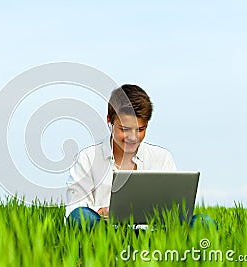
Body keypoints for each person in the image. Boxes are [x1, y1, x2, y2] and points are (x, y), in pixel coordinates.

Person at [65, 84, 212, 229]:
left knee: (204, 222)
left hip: (154, 232)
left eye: (140, 129)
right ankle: (111, 246)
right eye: (125, 129)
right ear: (109, 120)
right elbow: (74, 211)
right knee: (80, 217)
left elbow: (176, 210)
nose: (133, 137)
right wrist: (103, 211)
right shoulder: (87, 158)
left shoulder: (162, 157)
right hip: (107, 230)